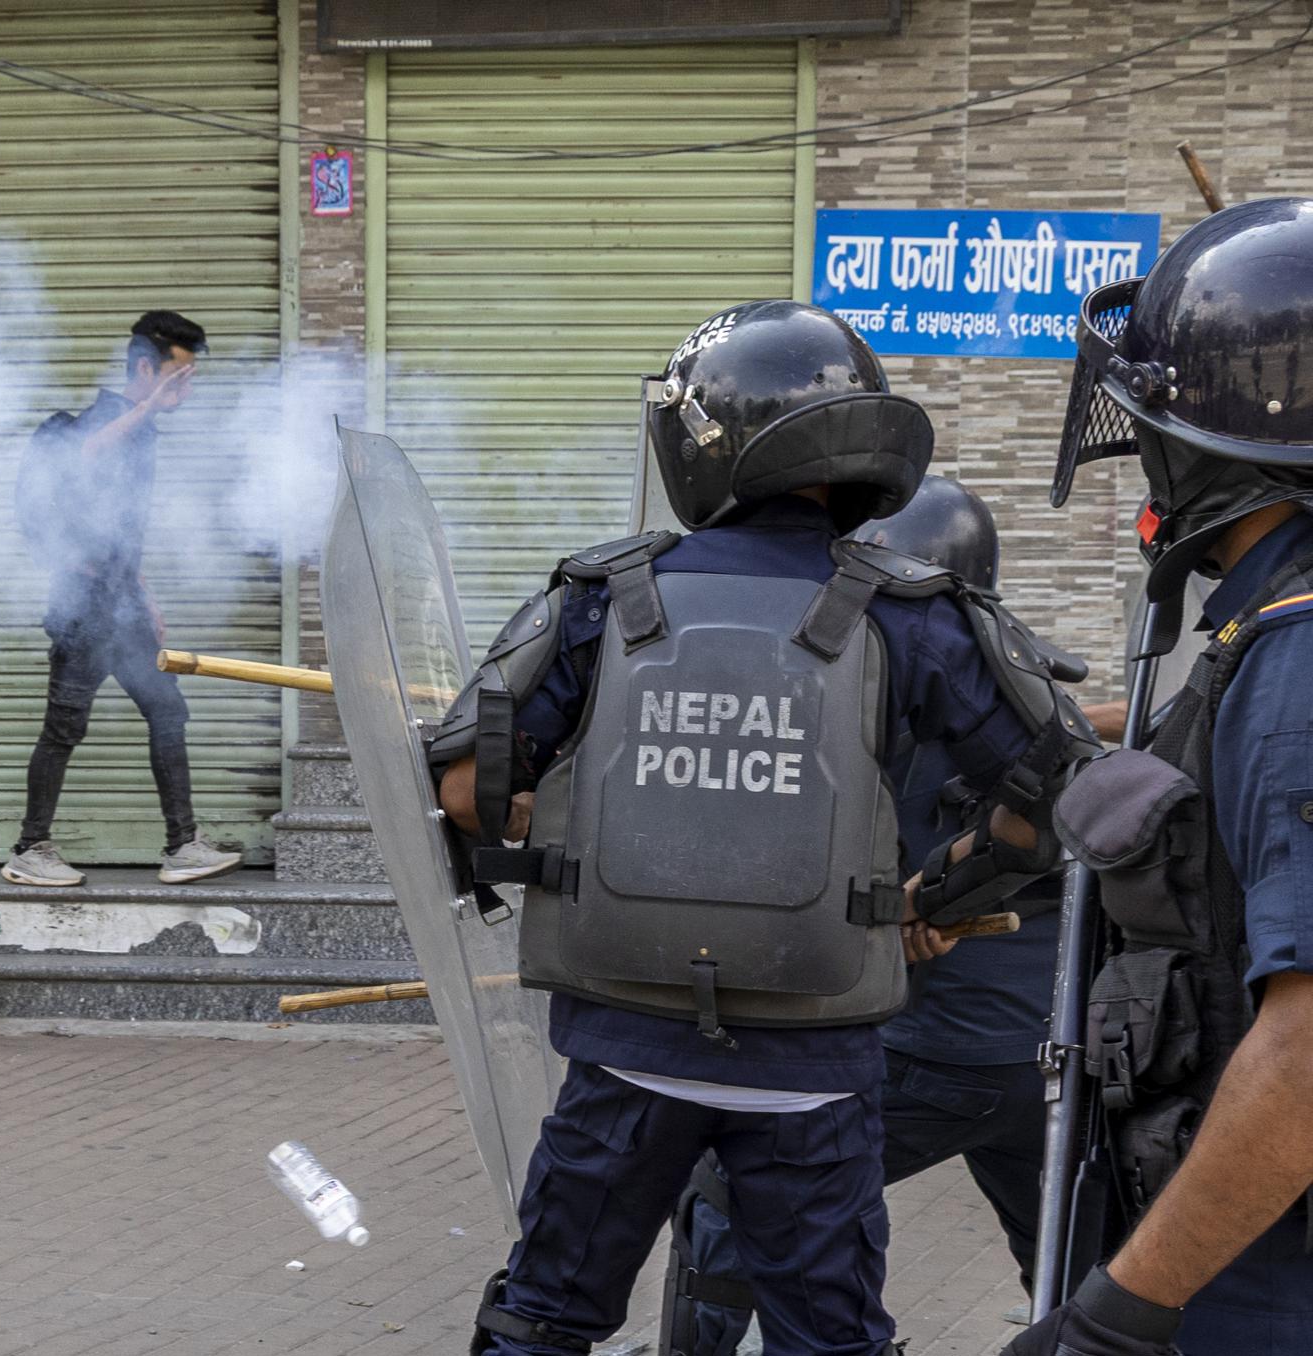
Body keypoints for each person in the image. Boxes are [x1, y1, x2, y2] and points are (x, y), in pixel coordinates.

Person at [433, 301, 1096, 1356]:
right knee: (826, 1338)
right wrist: (929, 901)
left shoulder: (605, 596)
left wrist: (579, 834)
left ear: (708, 443)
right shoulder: (913, 612)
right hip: (814, 1071)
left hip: (624, 1054)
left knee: (542, 1317)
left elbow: (466, 785)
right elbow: (1056, 801)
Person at [670, 477, 1073, 1354]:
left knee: (731, 1184)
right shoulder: (1025, 690)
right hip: (1044, 1054)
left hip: (944, 1050)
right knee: (1072, 1265)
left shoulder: (894, 691)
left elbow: (857, 883)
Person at [1009, 198, 1313, 1356]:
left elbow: (1305, 1054)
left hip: (1262, 1290)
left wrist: (1120, 1314)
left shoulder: (1298, 661)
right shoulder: (1263, 638)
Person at [4, 310, 242, 888]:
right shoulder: (106, 419)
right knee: (64, 728)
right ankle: (30, 849)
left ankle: (183, 844)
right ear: (144, 369)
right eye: (176, 378)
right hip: (84, 609)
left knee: (167, 710)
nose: (185, 391)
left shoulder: (143, 433)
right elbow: (79, 461)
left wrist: (145, 595)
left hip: (120, 604)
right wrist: (144, 409)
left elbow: (118, 533)